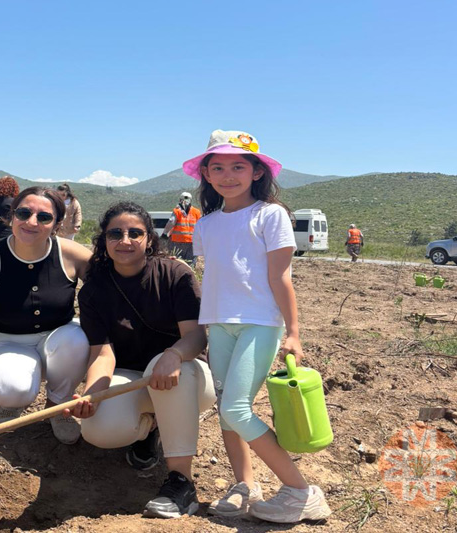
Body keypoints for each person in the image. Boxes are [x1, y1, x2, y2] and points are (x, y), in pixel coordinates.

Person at [183, 129, 331, 523]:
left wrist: (293, 332)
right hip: (220, 323)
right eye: (218, 168)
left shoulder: (270, 215)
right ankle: (245, 485)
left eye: (238, 166)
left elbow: (281, 276)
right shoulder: (206, 224)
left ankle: (301, 492)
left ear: (256, 172)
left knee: (236, 407)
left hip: (259, 323)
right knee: (226, 411)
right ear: (206, 175)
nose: (228, 175)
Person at [66, 201, 216, 519]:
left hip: (188, 377)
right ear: (104, 241)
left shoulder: (176, 275)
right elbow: (102, 353)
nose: (125, 240)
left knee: (164, 368)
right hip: (134, 379)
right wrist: (93, 394)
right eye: (115, 234)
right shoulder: (94, 291)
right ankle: (151, 427)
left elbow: (196, 337)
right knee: (98, 430)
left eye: (135, 233)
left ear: (149, 239)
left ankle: (181, 483)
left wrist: (173, 354)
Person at [0, 186, 91, 444]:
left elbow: (109, 285)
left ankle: (58, 406)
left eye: (44, 217)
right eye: (24, 213)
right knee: (12, 389)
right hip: (4, 341)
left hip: (58, 340)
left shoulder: (71, 254)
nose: (32, 222)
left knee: (77, 338)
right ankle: (12, 404)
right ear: (12, 215)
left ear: (57, 224)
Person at [162, 192, 201, 264]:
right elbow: (200, 226)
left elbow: (171, 222)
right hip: (192, 242)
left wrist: (164, 233)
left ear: (180, 199)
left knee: (177, 262)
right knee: (190, 263)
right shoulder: (197, 212)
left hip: (177, 241)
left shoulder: (177, 211)